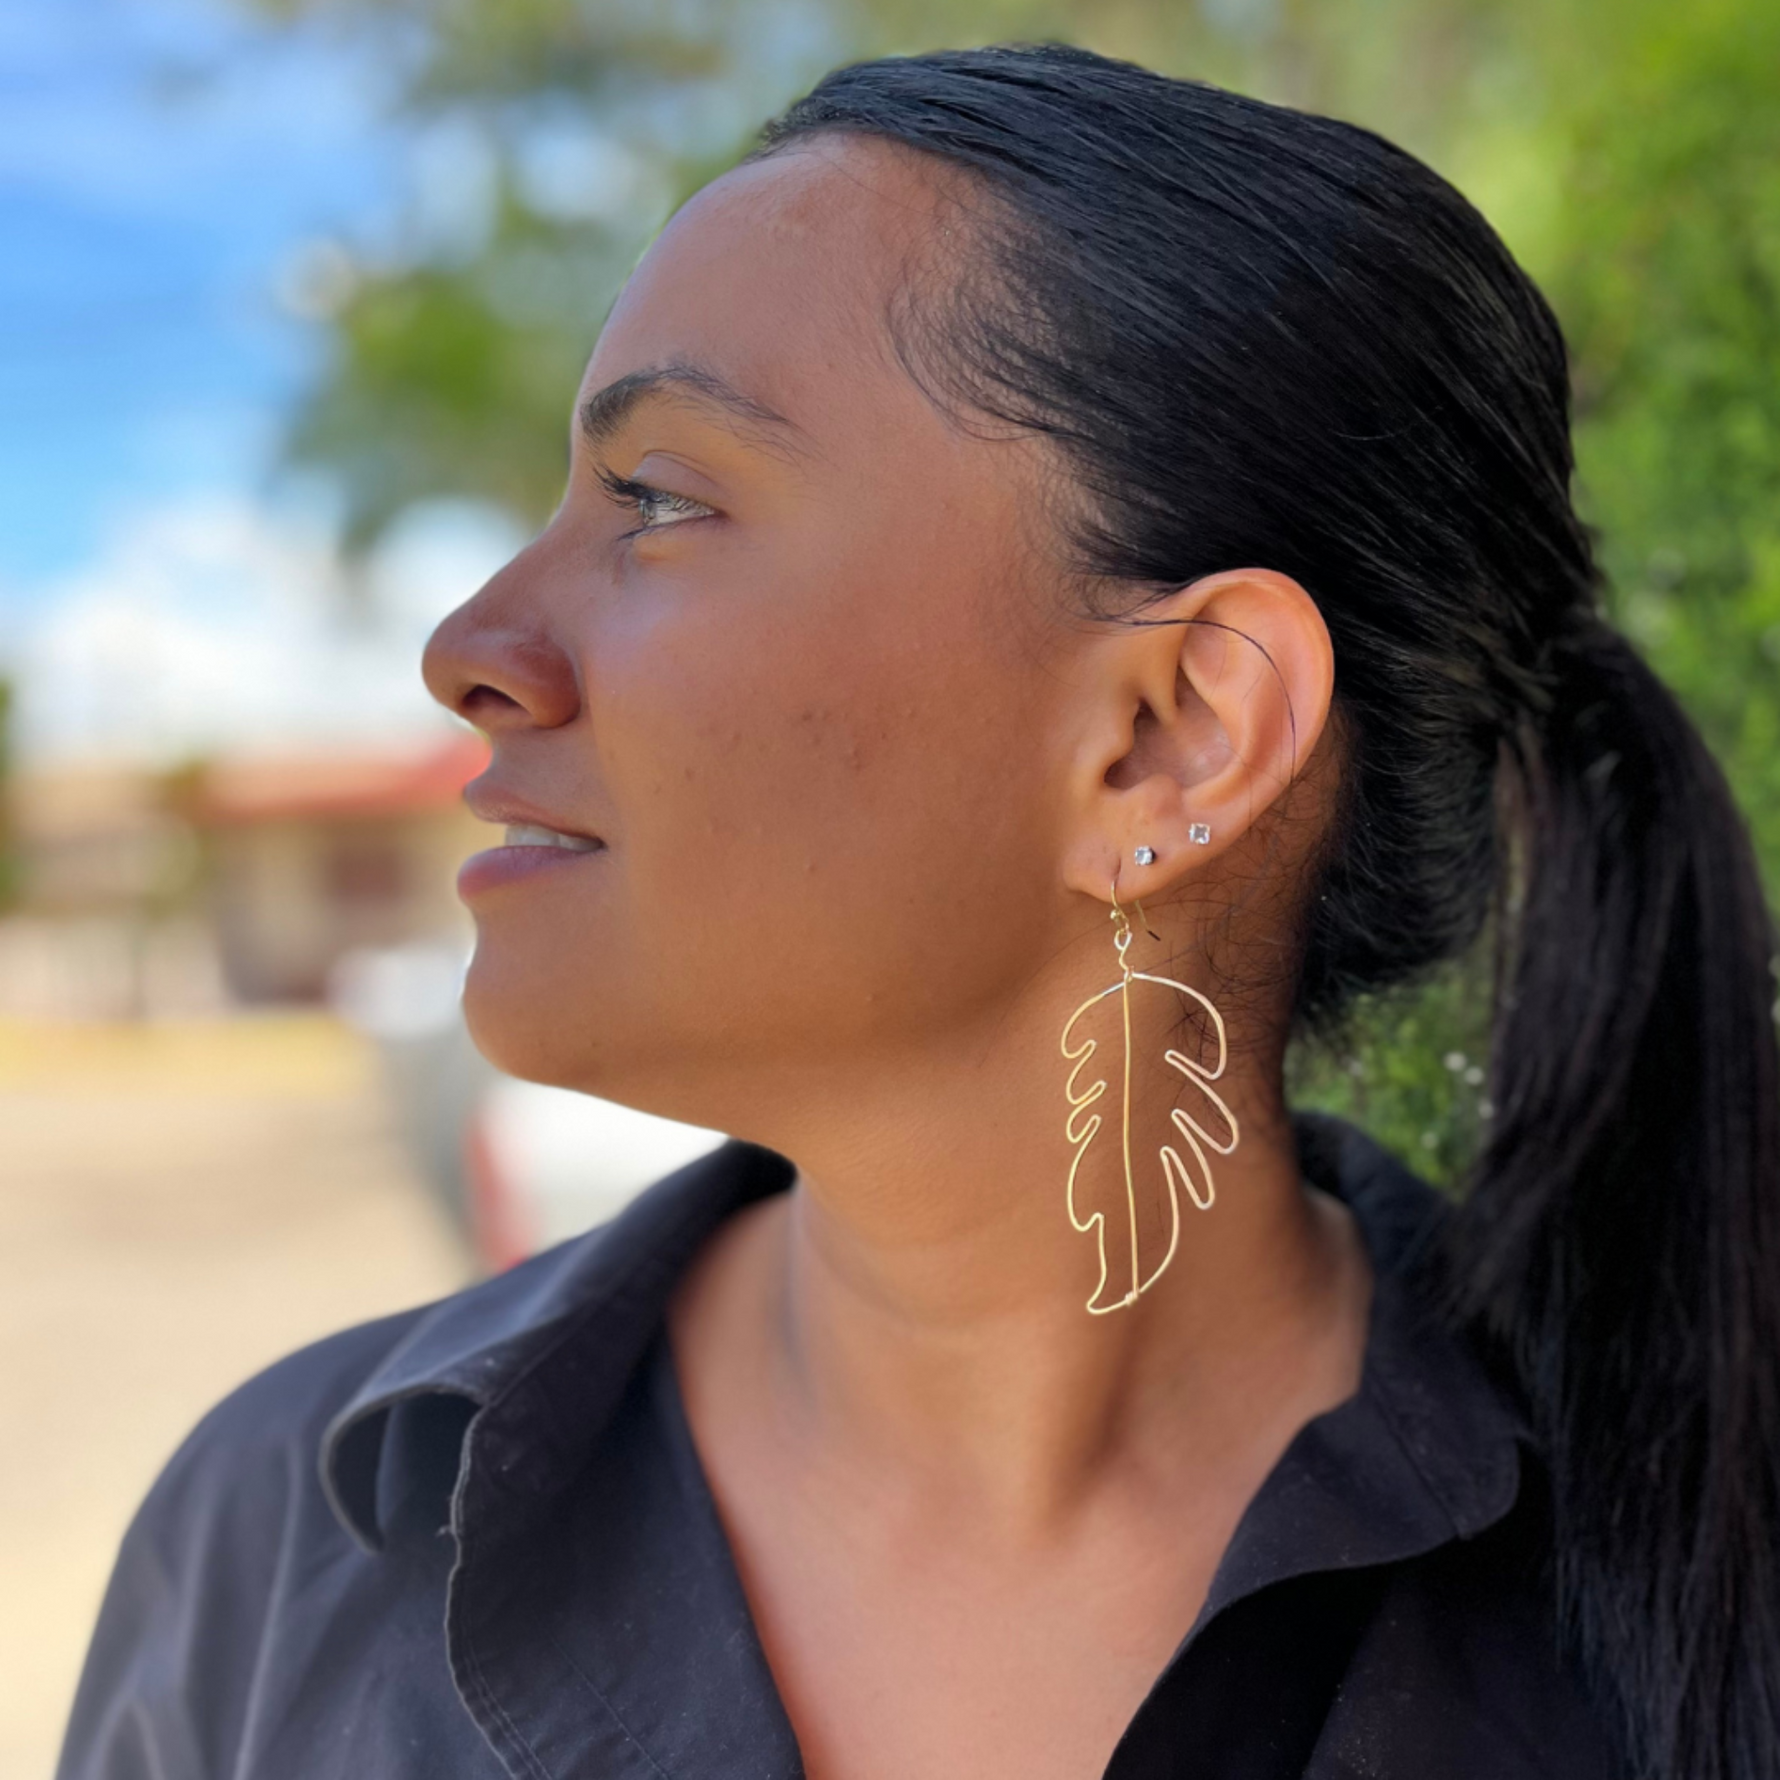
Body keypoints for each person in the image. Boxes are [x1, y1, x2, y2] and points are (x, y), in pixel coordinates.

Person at [57, 42, 1780, 1780]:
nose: (470, 653)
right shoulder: (276, 1554)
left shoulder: (1700, 1608)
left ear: (1169, 731)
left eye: (659, 498)